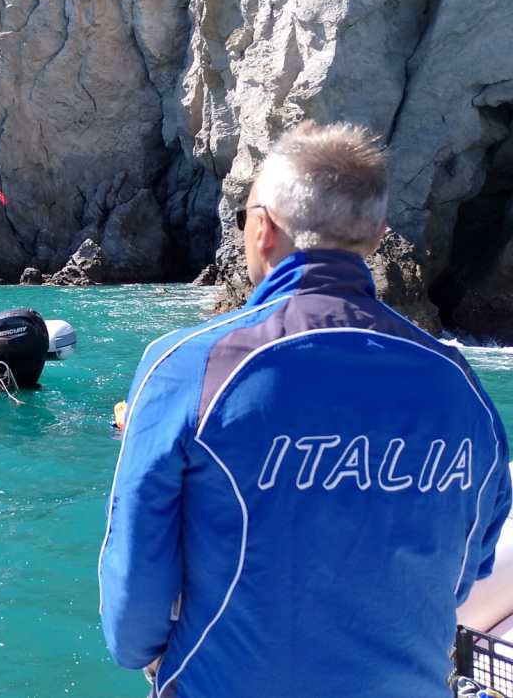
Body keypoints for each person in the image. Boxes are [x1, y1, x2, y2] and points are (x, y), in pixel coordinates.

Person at [98, 121, 512, 698]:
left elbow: (134, 594)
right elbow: (466, 567)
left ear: (262, 228)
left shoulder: (188, 366)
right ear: (377, 236)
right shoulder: (461, 384)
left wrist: (149, 651)